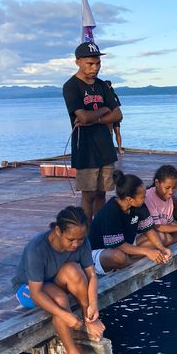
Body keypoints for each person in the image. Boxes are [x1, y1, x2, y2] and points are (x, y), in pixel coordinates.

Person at [11, 206, 104, 354]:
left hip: (53, 280)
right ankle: (72, 353)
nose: (76, 244)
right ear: (58, 230)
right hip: (28, 289)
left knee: (75, 270)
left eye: (80, 240)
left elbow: (91, 274)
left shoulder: (82, 241)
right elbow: (37, 293)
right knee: (60, 299)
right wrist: (66, 316)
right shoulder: (37, 248)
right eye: (71, 239)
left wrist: (93, 306)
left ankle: (88, 319)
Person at [62, 42, 123, 222]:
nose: (94, 68)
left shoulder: (103, 85)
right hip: (85, 149)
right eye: (90, 63)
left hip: (105, 146)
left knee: (102, 194)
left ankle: (100, 231)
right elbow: (82, 116)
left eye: (97, 63)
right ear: (78, 62)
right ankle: (87, 233)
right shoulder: (71, 86)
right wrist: (104, 110)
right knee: (88, 195)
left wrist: (95, 117)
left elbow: (118, 114)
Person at [89, 170, 172, 274]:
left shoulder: (139, 206)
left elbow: (148, 230)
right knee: (118, 257)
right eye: (142, 197)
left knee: (162, 238)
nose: (145, 199)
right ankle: (133, 265)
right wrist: (147, 252)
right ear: (130, 200)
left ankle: (128, 263)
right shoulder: (110, 211)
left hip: (127, 245)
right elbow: (119, 245)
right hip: (103, 251)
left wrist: (162, 248)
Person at [145, 165, 177, 245]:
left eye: (174, 188)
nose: (171, 192)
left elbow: (169, 223)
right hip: (149, 232)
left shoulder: (169, 198)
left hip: (162, 229)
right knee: (166, 238)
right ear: (157, 183)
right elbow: (157, 227)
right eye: (167, 188)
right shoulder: (148, 197)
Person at [103, 80, 124, 154]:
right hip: (109, 116)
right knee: (111, 132)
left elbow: (117, 106)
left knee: (115, 132)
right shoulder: (105, 95)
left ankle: (118, 148)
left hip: (113, 116)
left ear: (109, 86)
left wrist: (119, 116)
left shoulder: (112, 95)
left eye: (106, 86)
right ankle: (113, 149)